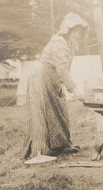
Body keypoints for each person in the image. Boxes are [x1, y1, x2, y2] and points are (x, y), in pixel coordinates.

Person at [23, 12, 88, 159]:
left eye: (79, 32)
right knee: (42, 113)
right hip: (40, 78)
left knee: (60, 109)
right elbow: (61, 69)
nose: (77, 35)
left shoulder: (67, 45)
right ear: (68, 30)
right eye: (75, 31)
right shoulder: (59, 42)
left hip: (52, 79)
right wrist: (74, 88)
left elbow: (63, 69)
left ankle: (62, 145)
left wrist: (62, 84)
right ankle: (41, 152)